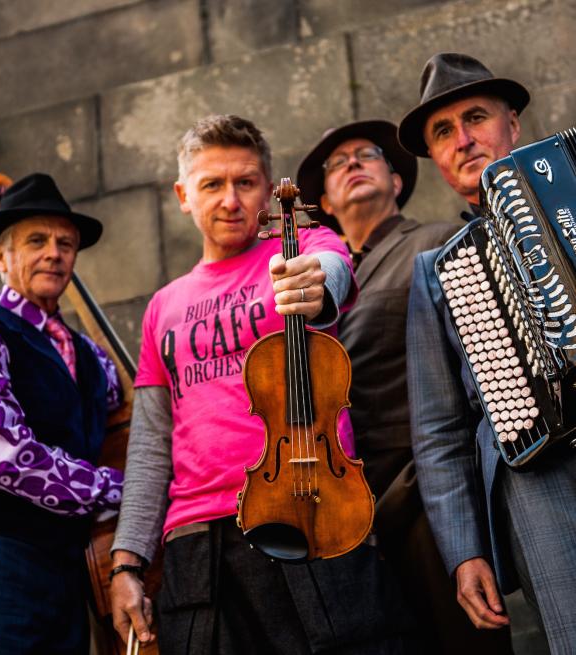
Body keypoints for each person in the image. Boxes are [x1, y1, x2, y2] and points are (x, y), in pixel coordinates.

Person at [110, 114, 420, 654]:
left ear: (267, 185)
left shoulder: (304, 242)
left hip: (312, 506)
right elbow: (151, 443)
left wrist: (313, 283)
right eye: (213, 184)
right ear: (184, 195)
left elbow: (330, 272)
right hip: (196, 539)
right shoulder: (163, 306)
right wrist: (127, 561)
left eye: (246, 182)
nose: (231, 200)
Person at [297, 120, 512, 654]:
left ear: (396, 181)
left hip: (424, 497)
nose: (351, 163)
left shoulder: (435, 242)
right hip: (351, 511)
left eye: (366, 155)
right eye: (337, 162)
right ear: (323, 200)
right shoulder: (313, 277)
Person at [400, 52, 576, 653]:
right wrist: (464, 549)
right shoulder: (434, 272)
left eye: (476, 118)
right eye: (443, 132)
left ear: (513, 126)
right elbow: (438, 430)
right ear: (434, 160)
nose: (464, 139)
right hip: (539, 477)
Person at [0, 173, 123, 654]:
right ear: (1, 256)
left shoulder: (95, 359)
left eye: (65, 243)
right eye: (36, 241)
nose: (54, 254)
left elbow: (131, 431)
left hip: (68, 568)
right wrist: (116, 488)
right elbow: (8, 459)